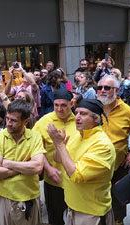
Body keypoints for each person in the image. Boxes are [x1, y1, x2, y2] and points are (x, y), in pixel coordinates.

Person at [47, 99, 116, 225]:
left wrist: (60, 146)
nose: (77, 117)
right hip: (73, 208)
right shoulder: (78, 136)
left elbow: (76, 175)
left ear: (96, 119)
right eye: (76, 113)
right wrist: (59, 145)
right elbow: (57, 159)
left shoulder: (102, 145)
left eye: (83, 114)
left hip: (91, 214)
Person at [97, 75, 130, 225]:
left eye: (107, 88)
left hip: (118, 166)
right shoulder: (93, 108)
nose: (102, 91)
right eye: (100, 87)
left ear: (117, 90)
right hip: (95, 165)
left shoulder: (129, 112)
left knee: (118, 200)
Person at [0, 100, 46, 225]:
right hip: (6, 197)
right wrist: (25, 165)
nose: (8, 123)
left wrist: (8, 163)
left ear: (25, 121)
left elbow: (37, 168)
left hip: (30, 196)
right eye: (7, 118)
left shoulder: (35, 136)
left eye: (13, 120)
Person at [33, 89, 78, 225]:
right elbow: (36, 149)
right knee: (55, 217)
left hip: (75, 179)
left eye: (63, 105)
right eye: (56, 105)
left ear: (71, 104)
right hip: (54, 180)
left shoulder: (79, 120)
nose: (59, 109)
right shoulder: (44, 122)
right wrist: (47, 168)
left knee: (76, 218)